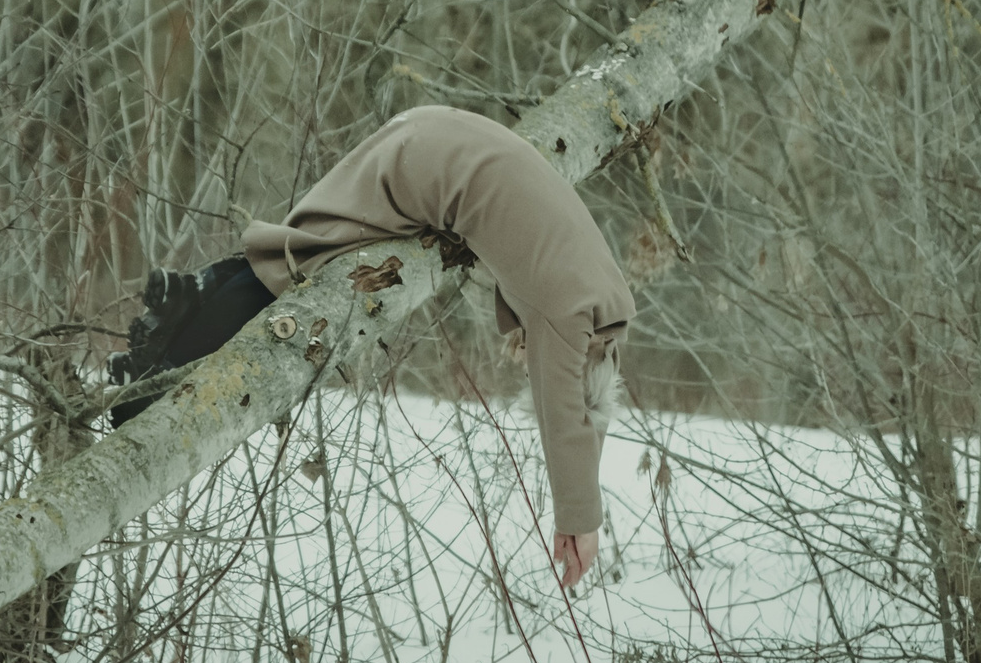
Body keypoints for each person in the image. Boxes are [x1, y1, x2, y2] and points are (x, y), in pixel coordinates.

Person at [109, 105, 633, 588]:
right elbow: (565, 413)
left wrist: (587, 468)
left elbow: (588, 401)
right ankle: (158, 378)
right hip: (428, 164)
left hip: (441, 132)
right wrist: (581, 524)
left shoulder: (607, 305)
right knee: (306, 265)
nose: (526, 361)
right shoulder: (566, 316)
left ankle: (192, 294)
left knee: (312, 235)